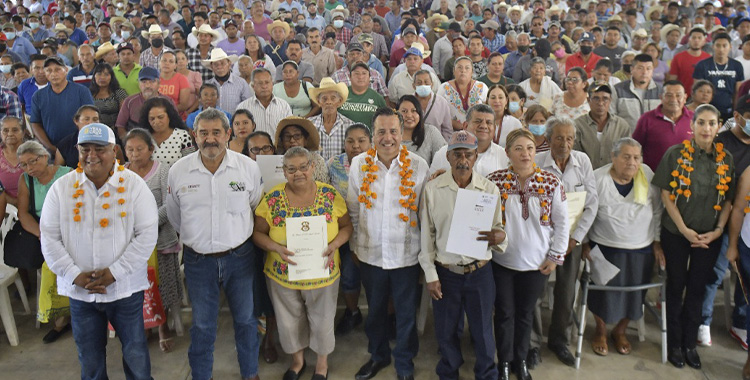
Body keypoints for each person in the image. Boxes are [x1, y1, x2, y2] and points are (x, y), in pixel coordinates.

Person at [40, 123, 158, 380]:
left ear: (114, 150)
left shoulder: (133, 185)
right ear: (77, 151)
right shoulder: (62, 188)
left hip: (124, 289)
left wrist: (115, 272)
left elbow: (147, 235)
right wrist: (74, 275)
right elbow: (49, 237)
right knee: (90, 359)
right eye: (85, 149)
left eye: (99, 149)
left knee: (136, 354)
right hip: (81, 293)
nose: (92, 155)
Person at [166, 108, 263, 380]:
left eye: (216, 133)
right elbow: (176, 216)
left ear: (228, 134)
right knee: (203, 326)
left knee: (245, 320)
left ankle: (250, 373)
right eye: (203, 133)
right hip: (198, 261)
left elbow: (255, 206)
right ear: (194, 136)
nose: (210, 139)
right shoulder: (179, 171)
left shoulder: (248, 168)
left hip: (240, 258)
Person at [252, 145, 352, 380]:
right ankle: (297, 362)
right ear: (284, 171)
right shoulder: (273, 198)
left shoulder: (329, 195)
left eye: (303, 167)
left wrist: (335, 244)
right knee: (288, 321)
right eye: (291, 169)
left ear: (313, 167)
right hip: (282, 273)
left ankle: (321, 365)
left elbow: (347, 226)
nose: (298, 173)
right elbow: (258, 234)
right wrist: (275, 247)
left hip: (322, 272)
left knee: (323, 319)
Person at [346, 107, 428, 380]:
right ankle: (378, 355)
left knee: (405, 314)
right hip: (371, 254)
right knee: (376, 312)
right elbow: (354, 210)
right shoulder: (360, 164)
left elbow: (424, 214)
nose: (388, 137)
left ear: (402, 133)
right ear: (373, 134)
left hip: (406, 255)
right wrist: (357, 246)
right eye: (381, 131)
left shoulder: (418, 165)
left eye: (393, 131)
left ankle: (404, 362)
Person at [652, 104, 734, 369]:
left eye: (712, 123)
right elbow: (666, 195)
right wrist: (685, 230)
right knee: (676, 286)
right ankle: (674, 343)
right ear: (693, 125)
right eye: (701, 122)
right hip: (677, 232)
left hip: (710, 237)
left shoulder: (726, 159)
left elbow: (728, 200)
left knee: (698, 289)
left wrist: (719, 230)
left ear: (719, 126)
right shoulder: (676, 154)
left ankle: (689, 343)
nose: (706, 128)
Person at [419, 130, 506, 380]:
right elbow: (427, 237)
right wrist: (431, 275)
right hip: (446, 274)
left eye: (468, 154)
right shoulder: (433, 190)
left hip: (479, 272)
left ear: (475, 157)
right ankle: (448, 372)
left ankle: (487, 374)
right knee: (446, 332)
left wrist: (501, 237)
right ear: (448, 157)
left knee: (482, 332)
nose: (463, 160)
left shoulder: (489, 190)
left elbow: (498, 230)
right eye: (457, 154)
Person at [486, 128, 569, 380]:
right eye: (519, 149)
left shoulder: (552, 182)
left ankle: (521, 360)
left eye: (530, 148)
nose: (525, 154)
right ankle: (504, 363)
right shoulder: (494, 181)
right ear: (508, 152)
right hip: (502, 262)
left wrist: (555, 257)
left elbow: (562, 222)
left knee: (525, 315)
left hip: (536, 264)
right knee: (503, 314)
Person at [586, 137, 663, 356]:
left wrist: (657, 242)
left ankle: (620, 331)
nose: (632, 162)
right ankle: (600, 330)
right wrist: (584, 243)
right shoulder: (598, 178)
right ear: (613, 157)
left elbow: (657, 210)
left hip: (641, 249)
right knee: (602, 293)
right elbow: (585, 213)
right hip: (605, 247)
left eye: (636, 157)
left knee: (634, 294)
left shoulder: (646, 175)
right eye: (626, 156)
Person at [533, 117, 598, 366]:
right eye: (559, 138)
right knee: (535, 292)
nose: (565, 143)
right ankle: (532, 344)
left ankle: (559, 340)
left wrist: (575, 239)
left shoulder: (582, 162)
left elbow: (591, 204)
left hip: (572, 239)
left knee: (566, 291)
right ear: (548, 139)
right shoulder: (537, 162)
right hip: (541, 239)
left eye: (570, 138)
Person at [123, 128, 182, 353]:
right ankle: (143, 324)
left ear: (151, 149)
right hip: (129, 243)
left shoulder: (163, 171)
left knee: (160, 285)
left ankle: (162, 326)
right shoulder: (120, 173)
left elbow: (170, 204)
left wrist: (145, 226)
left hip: (160, 239)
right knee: (135, 286)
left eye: (140, 149)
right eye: (130, 149)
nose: (135, 154)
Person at [15, 140, 72, 343]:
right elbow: (23, 213)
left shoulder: (67, 174)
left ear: (45, 157)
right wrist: (42, 234)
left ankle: (67, 314)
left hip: (71, 228)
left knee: (64, 257)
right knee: (53, 259)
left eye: (33, 161)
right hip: (44, 232)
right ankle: (62, 315)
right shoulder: (25, 180)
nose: (29, 168)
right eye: (23, 164)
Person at [328, 124, 371, 336]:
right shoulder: (334, 164)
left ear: (370, 143)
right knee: (349, 275)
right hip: (344, 231)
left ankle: (383, 317)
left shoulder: (378, 163)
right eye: (350, 141)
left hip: (373, 232)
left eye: (361, 140)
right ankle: (353, 312)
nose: (356, 146)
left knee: (377, 279)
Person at [30, 56, 95, 152]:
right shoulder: (38, 96)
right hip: (50, 148)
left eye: (57, 69)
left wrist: (82, 144)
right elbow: (35, 123)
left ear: (66, 70)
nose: (54, 74)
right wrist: (49, 147)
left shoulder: (81, 91)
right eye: (49, 70)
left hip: (79, 147)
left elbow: (90, 119)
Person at [632, 81, 693, 171]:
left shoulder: (695, 119)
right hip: (653, 178)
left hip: (687, 178)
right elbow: (635, 148)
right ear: (661, 97)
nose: (673, 99)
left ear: (685, 97)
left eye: (678, 95)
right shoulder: (646, 119)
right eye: (669, 95)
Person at [573, 83, 631, 169]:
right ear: (589, 100)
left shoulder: (621, 126)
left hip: (613, 176)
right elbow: (574, 155)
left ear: (610, 100)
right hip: (585, 176)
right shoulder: (577, 125)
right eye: (596, 98)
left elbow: (627, 154)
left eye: (605, 99)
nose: (600, 103)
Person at [693, 33, 744, 123]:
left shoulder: (737, 65)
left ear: (730, 46)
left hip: (728, 110)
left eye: (724, 46)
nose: (721, 49)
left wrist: (736, 111)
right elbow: (697, 90)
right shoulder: (702, 65)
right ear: (713, 46)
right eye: (718, 45)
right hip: (707, 110)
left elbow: (737, 92)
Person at [610, 53, 662, 132]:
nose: (644, 72)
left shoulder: (661, 91)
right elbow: (611, 117)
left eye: (648, 68)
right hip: (626, 139)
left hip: (654, 139)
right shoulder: (618, 90)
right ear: (632, 69)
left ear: (652, 71)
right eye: (640, 68)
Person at [437, 56, 489, 133]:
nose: (463, 71)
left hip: (477, 132)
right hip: (450, 133)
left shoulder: (482, 87)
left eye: (467, 68)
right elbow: (438, 112)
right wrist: (455, 124)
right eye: (459, 68)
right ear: (454, 71)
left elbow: (488, 112)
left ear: (472, 72)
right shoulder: (444, 87)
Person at [140, 97, 196, 167]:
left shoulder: (182, 136)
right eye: (152, 119)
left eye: (160, 117)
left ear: (169, 116)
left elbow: (190, 163)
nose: (156, 122)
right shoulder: (142, 137)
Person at [237, 68, 293, 138]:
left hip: (278, 148)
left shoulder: (284, 106)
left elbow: (289, 131)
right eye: (260, 83)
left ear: (272, 84)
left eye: (267, 82)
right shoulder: (243, 107)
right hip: (252, 148)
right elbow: (239, 134)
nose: (264, 86)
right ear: (253, 86)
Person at [308, 77, 354, 160]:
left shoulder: (349, 125)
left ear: (339, 101)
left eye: (333, 98)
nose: (328, 102)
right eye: (324, 99)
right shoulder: (309, 125)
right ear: (318, 102)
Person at [274, 116, 330, 184]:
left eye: (297, 136)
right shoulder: (276, 160)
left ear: (306, 140)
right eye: (287, 136)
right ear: (282, 141)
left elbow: (323, 186)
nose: (292, 140)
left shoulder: (317, 160)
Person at [397, 94, 446, 165]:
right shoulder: (390, 135)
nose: (409, 115)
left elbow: (444, 158)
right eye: (404, 111)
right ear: (397, 114)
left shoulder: (431, 132)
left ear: (420, 114)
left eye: (413, 111)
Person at [338, 62, 388, 130]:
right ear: (350, 77)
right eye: (356, 73)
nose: (360, 77)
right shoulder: (340, 95)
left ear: (369, 77)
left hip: (369, 139)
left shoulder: (378, 98)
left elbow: (385, 122)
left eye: (364, 73)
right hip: (343, 138)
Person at [89, 63, 128, 129]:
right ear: (94, 76)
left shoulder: (119, 92)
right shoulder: (88, 93)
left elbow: (124, 115)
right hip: (94, 129)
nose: (102, 77)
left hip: (115, 129)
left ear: (111, 77)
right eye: (99, 74)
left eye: (106, 74)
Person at [158, 50, 193, 119]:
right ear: (159, 63)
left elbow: (183, 105)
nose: (167, 63)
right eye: (164, 60)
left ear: (175, 66)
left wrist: (164, 112)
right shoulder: (154, 78)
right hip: (156, 116)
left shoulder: (182, 79)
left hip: (176, 117)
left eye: (171, 61)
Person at [0, 116, 25, 205]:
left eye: (15, 130)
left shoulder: (33, 152)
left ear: (23, 133)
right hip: (4, 207)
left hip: (34, 206)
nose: (10, 134)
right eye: (5, 130)